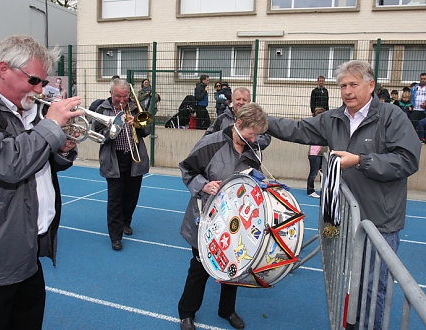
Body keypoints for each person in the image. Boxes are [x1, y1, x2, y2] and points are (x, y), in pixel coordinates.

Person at [265, 60, 421, 329]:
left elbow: (407, 160)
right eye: (343, 85)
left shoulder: (392, 117)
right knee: (352, 279)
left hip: (379, 223)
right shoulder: (333, 118)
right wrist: (264, 121)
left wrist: (361, 160)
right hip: (344, 220)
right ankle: (352, 321)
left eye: (353, 84)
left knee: (374, 288)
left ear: (371, 86)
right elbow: (299, 129)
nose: (347, 91)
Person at [0, 34, 83, 329]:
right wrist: (49, 126)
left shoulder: (25, 109)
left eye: (43, 82)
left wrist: (62, 149)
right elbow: (9, 164)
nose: (39, 89)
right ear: (4, 69)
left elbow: (38, 161)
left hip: (25, 252)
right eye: (34, 80)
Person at [178, 103, 268, 330]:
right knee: (199, 269)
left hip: (235, 222)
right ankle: (187, 313)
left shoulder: (252, 148)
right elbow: (187, 169)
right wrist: (204, 185)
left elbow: (253, 180)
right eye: (251, 134)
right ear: (238, 125)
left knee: (234, 267)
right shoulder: (212, 142)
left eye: (258, 135)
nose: (255, 139)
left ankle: (227, 310)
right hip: (206, 219)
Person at [92, 79, 151, 251]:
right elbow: (97, 135)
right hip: (114, 159)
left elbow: (146, 131)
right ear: (111, 94)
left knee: (131, 196)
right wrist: (112, 130)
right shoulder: (102, 109)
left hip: (134, 159)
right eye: (118, 96)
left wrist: (138, 125)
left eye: (125, 96)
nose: (122, 100)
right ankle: (115, 236)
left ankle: (126, 221)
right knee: (115, 200)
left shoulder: (134, 107)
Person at [206, 87, 271, 150]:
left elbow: (265, 139)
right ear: (232, 100)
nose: (241, 102)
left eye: (244, 100)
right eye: (238, 99)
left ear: (249, 101)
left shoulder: (257, 119)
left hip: (246, 158)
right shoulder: (222, 118)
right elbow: (208, 137)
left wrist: (247, 140)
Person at [306, 107, 328, 198]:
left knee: (323, 172)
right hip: (315, 154)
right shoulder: (316, 127)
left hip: (321, 154)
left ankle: (324, 189)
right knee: (314, 172)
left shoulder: (323, 127)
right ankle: (310, 190)